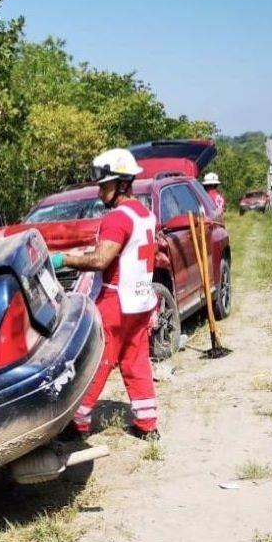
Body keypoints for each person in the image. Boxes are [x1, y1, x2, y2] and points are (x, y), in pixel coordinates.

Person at [50, 148, 160, 439]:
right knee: (136, 361)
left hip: (115, 302)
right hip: (140, 301)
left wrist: (63, 259)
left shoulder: (117, 219)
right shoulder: (145, 213)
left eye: (104, 185)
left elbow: (101, 261)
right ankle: (147, 425)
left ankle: (78, 423)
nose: (99, 192)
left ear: (122, 183)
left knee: (95, 361)